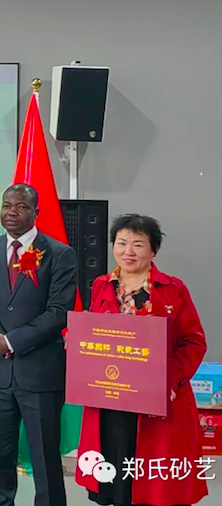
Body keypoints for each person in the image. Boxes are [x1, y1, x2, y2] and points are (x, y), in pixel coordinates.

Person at [75, 214, 208, 506]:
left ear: (153, 250)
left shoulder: (173, 289)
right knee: (114, 469)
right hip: (110, 397)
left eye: (138, 244)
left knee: (154, 482)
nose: (128, 251)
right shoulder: (101, 285)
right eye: (121, 243)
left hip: (157, 402)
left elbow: (194, 342)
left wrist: (169, 381)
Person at [0, 183, 76, 506]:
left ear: (36, 212)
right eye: (7, 206)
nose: (12, 212)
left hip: (40, 374)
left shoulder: (60, 254)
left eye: (21, 207)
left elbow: (59, 312)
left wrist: (11, 341)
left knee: (44, 459)